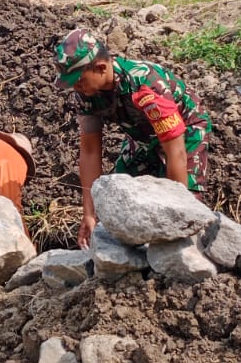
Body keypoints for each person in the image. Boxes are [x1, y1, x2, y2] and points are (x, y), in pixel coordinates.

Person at [53, 28, 212, 248]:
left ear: (100, 68)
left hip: (185, 131)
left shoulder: (146, 86)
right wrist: (90, 213)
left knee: (185, 209)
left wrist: (176, 214)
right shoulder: (86, 94)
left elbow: (176, 152)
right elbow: (89, 151)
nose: (75, 88)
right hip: (141, 134)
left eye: (79, 81)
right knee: (117, 203)